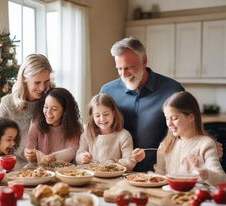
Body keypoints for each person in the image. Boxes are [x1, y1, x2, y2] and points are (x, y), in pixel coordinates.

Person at [100, 37, 185, 172]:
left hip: (159, 171)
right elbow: (97, 129)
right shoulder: (107, 91)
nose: (123, 74)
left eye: (129, 68)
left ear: (144, 61)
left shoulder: (172, 90)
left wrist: (203, 143)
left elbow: (185, 131)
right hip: (115, 171)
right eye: (119, 68)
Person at [134, 91, 226, 185]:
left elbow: (222, 179)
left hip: (197, 197)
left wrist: (203, 172)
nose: (169, 124)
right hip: (171, 196)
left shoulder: (205, 144)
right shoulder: (166, 144)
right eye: (167, 118)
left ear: (191, 117)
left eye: (174, 118)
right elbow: (160, 177)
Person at [0, 54, 54, 167]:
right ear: (24, 79)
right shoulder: (8, 103)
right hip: (16, 169)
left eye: (46, 81)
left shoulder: (54, 99)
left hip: (50, 166)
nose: (43, 88)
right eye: (37, 82)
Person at [75, 94, 138, 171]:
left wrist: (111, 165)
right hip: (92, 176)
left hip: (115, 178)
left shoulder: (124, 135)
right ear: (92, 116)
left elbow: (129, 161)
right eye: (97, 116)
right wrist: (82, 157)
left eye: (106, 114)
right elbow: (78, 156)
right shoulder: (87, 133)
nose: (102, 119)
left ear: (113, 113)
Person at [24, 88, 82, 164]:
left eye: (54, 109)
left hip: (66, 171)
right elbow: (29, 147)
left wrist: (53, 157)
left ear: (65, 111)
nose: (48, 113)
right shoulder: (36, 123)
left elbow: (73, 150)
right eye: (46, 107)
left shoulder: (74, 126)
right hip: (41, 170)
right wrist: (29, 154)